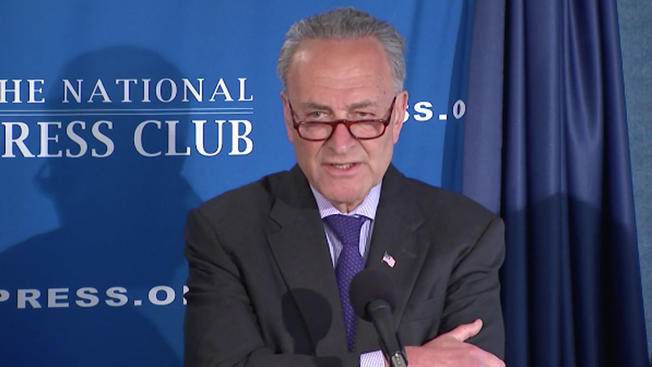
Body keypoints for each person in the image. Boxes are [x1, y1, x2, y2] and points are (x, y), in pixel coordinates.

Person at [184, 7, 505, 367]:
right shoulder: (226, 231)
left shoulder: (464, 234)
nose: (340, 143)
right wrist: (394, 364)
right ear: (289, 117)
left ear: (398, 115)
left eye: (364, 117)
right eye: (318, 117)